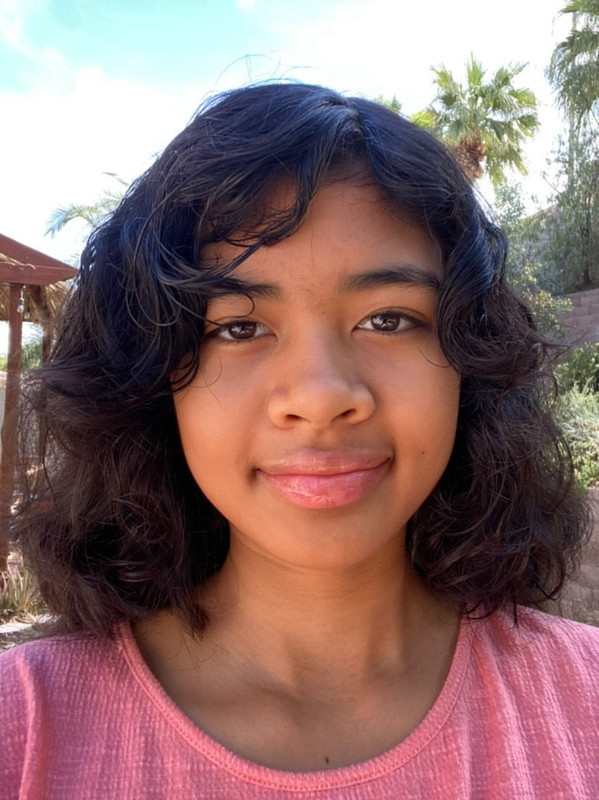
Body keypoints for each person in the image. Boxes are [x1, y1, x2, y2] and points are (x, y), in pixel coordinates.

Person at [1, 82, 597, 799]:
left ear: (470, 361)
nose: (319, 397)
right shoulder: (23, 728)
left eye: (387, 320)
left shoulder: (585, 697)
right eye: (238, 327)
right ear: (152, 381)